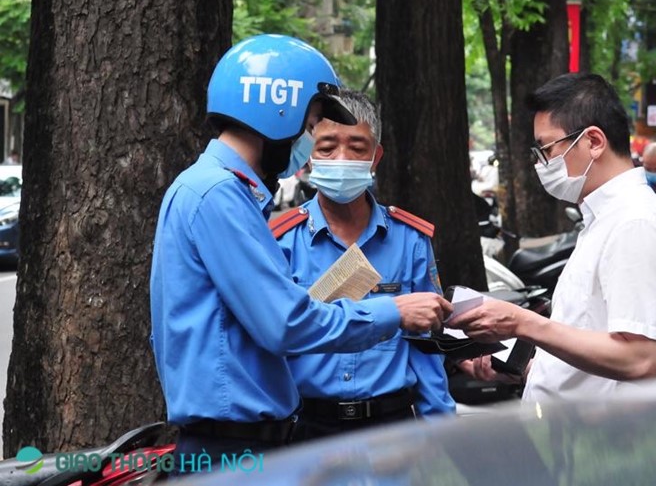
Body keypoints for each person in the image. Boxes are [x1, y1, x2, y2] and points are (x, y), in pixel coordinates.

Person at [149, 35, 451, 463]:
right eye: (312, 125)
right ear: (279, 111)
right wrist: (395, 311)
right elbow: (285, 324)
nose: (311, 141)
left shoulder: (215, 190)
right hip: (233, 445)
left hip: (255, 441)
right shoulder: (218, 195)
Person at [449, 73, 656, 401]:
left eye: (546, 148)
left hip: (604, 441)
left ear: (593, 142)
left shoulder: (636, 223)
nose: (541, 164)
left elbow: (640, 358)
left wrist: (522, 322)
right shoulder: (604, 219)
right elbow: (590, 341)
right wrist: (527, 368)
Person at [270, 91, 455, 441]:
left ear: (375, 157)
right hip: (307, 430)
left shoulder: (409, 239)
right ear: (307, 155)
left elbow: (426, 346)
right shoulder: (281, 242)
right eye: (327, 148)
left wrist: (442, 437)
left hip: (392, 428)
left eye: (357, 147)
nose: (342, 158)